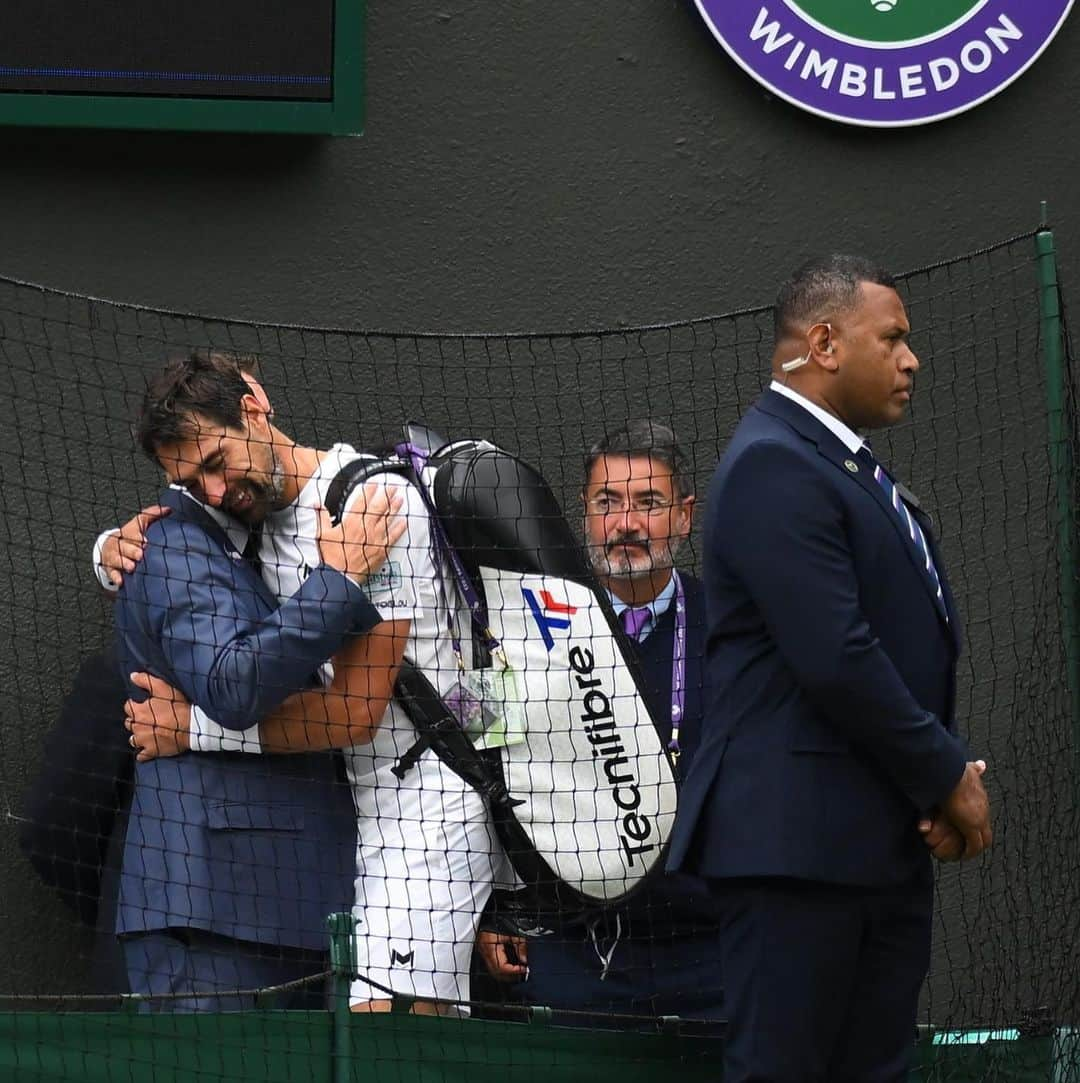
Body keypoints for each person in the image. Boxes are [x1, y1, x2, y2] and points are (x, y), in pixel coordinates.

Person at [100, 350, 507, 1015]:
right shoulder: (245, 510)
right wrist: (108, 550)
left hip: (429, 812)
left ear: (255, 406)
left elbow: (354, 713)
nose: (210, 491)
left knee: (387, 1045)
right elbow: (169, 540)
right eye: (189, 479)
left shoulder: (374, 504)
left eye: (214, 462)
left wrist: (192, 728)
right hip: (353, 821)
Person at [667, 255, 993, 1081]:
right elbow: (838, 655)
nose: (912, 358)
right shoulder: (775, 462)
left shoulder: (840, 465)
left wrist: (929, 788)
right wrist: (945, 775)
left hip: (868, 846)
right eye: (893, 337)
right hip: (797, 856)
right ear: (823, 341)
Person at [476, 421, 723, 1030]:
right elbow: (479, 763)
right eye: (607, 503)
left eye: (649, 503)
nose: (626, 524)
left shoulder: (734, 629)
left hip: (711, 953)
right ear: (583, 515)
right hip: (572, 949)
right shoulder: (519, 624)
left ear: (685, 515)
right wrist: (496, 909)